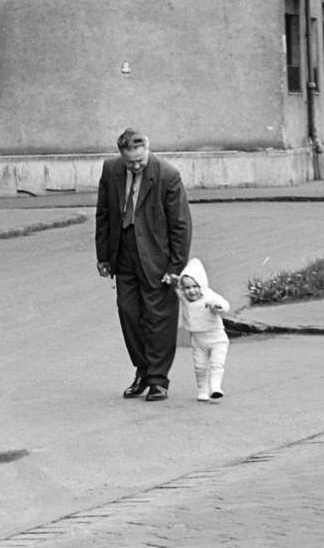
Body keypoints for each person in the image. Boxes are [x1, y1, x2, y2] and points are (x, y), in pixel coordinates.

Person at [95, 127, 192, 402]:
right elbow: (103, 213)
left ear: (147, 151)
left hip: (156, 257)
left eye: (140, 160)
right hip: (123, 252)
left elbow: (181, 225)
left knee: (159, 318)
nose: (136, 165)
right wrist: (103, 255)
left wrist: (175, 268)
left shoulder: (168, 174)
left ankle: (158, 380)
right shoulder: (111, 169)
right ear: (121, 156)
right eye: (130, 162)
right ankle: (143, 371)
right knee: (128, 313)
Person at [175, 258, 231, 402]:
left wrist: (217, 307)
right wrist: (172, 281)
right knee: (200, 367)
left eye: (195, 286)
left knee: (217, 364)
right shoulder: (185, 298)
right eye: (187, 288)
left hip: (217, 339)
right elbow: (177, 289)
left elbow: (224, 305)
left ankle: (215, 387)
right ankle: (202, 390)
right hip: (198, 341)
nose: (191, 291)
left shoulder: (209, 296)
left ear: (202, 285)